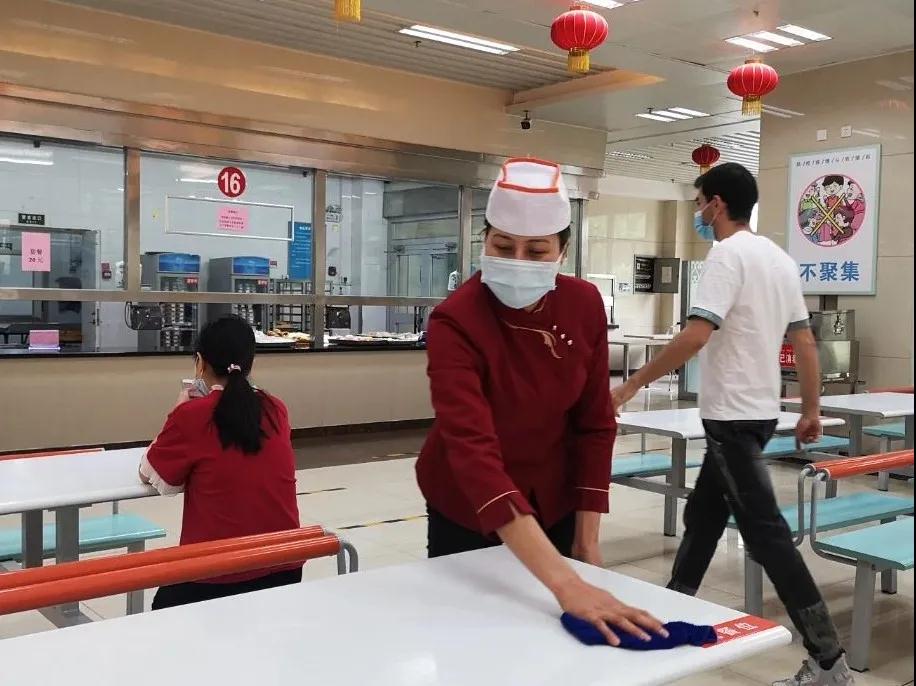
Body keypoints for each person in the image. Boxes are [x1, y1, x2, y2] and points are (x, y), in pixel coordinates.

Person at [611, 163, 854, 686]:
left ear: (716, 204)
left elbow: (696, 335)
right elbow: (804, 340)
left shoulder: (726, 255)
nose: (699, 212)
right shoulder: (778, 259)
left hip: (731, 417)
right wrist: (810, 409)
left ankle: (829, 661)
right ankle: (670, 615)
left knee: (767, 537)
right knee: (703, 519)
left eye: (700, 202)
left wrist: (630, 387)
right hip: (760, 413)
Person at [416, 157, 666, 647]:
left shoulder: (583, 304)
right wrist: (566, 583)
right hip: (466, 504)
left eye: (536, 250)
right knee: (468, 640)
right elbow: (472, 452)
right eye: (502, 246)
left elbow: (594, 425)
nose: (518, 261)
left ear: (562, 252)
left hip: (554, 495)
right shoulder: (455, 320)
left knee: (555, 643)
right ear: (484, 242)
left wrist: (586, 544)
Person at [139, 315, 301, 610]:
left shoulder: (192, 414)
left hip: (214, 576)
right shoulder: (276, 408)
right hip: (285, 567)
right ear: (251, 362)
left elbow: (151, 474)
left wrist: (178, 410)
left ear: (200, 363)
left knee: (162, 607)